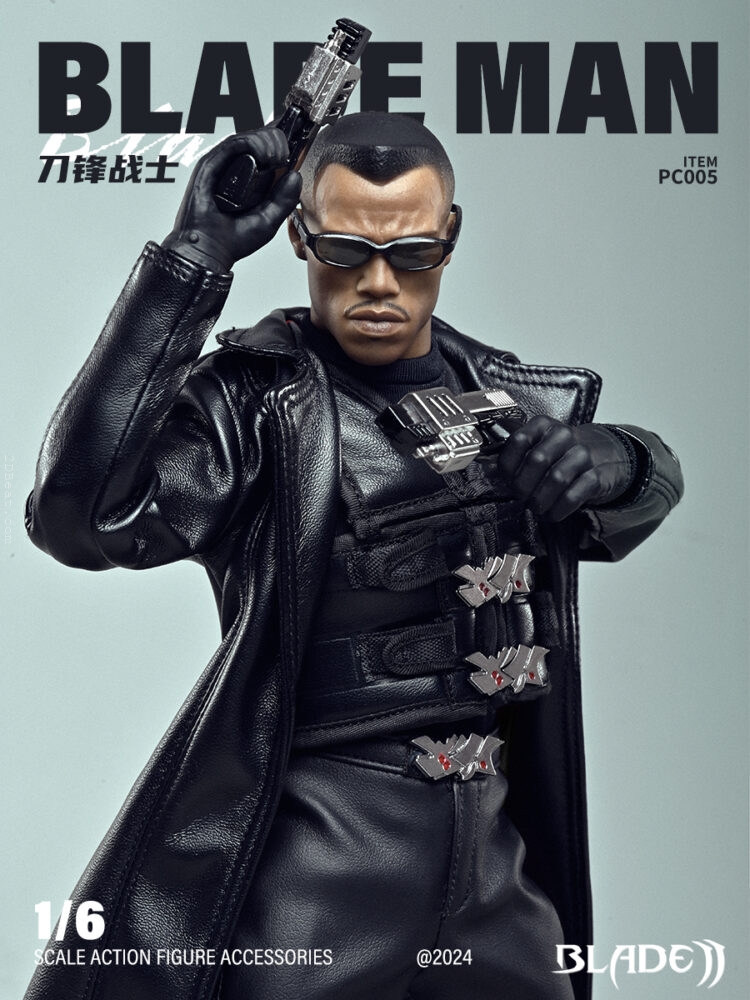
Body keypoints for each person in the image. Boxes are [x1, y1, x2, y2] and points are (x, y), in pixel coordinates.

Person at [25, 113, 683, 1000]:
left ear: (450, 238)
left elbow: (645, 491)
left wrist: (621, 458)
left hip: (493, 859)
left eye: (411, 254)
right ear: (300, 237)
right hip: (319, 860)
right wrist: (195, 258)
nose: (378, 283)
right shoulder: (260, 409)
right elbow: (79, 520)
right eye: (345, 251)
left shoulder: (508, 398)